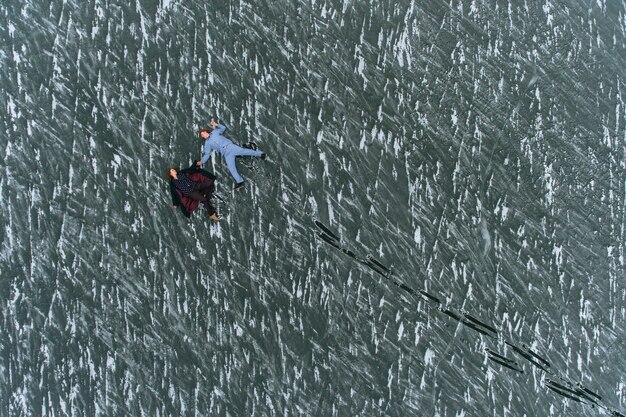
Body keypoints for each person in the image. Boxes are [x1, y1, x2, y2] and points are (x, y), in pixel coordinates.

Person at [197, 120, 266, 190]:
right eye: (202, 135)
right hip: (226, 154)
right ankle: (240, 182)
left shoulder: (214, 132)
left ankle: (261, 154)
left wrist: (216, 124)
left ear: (206, 132)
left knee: (245, 151)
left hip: (230, 147)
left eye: (203, 134)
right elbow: (207, 154)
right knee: (231, 167)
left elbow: (223, 128)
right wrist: (202, 161)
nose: (203, 136)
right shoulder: (207, 143)